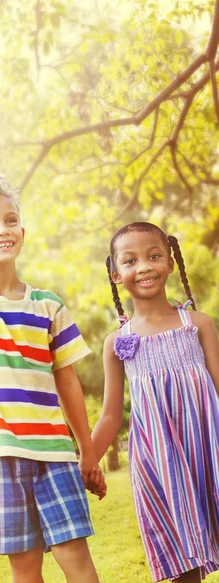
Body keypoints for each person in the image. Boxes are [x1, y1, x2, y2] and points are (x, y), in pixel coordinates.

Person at [0, 172, 104, 583]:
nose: (2, 230)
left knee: (74, 553)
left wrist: (87, 450)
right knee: (25, 565)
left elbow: (68, 382)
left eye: (10, 220)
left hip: (55, 453)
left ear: (22, 232)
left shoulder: (49, 305)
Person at [91, 221, 219, 583]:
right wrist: (85, 460)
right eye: (130, 261)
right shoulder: (117, 342)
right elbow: (111, 414)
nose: (144, 267)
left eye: (153, 256)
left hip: (209, 447)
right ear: (116, 274)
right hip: (159, 462)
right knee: (181, 560)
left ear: (170, 263)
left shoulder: (198, 324)